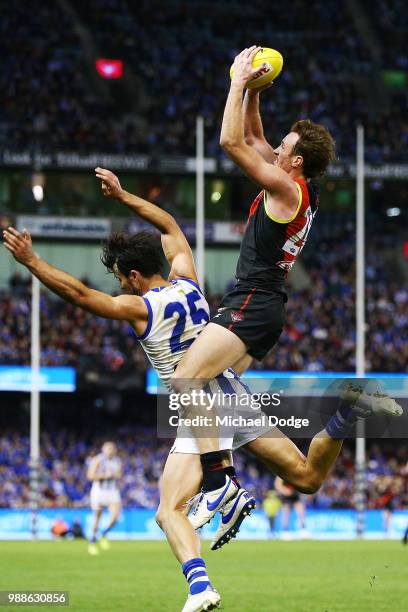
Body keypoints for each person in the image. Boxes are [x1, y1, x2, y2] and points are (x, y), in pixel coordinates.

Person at [3, 171, 402, 612]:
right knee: (306, 477)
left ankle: (204, 566)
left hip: (202, 410)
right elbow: (171, 227)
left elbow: (79, 295)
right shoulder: (188, 280)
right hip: (232, 395)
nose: (118, 284)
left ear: (134, 275)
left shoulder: (140, 307)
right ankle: (346, 411)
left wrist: (31, 262)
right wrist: (122, 196)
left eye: (119, 276)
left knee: (167, 510)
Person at [170, 45, 338, 520]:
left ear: (295, 162)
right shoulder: (300, 184)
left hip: (251, 301)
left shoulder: (285, 187)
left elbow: (231, 142)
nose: (276, 147)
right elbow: (253, 133)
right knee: (215, 392)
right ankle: (223, 474)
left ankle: (220, 483)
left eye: (284, 147)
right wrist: (257, 93)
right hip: (264, 306)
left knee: (186, 378)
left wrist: (237, 83)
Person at [87, 441, 122, 555]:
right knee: (97, 518)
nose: (110, 451)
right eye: (108, 448)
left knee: (116, 516)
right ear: (103, 449)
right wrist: (104, 476)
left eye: (112, 448)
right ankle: (92, 542)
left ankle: (103, 534)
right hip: (99, 491)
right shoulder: (98, 460)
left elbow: (119, 474)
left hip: (112, 491)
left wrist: (115, 475)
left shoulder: (117, 461)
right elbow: (90, 476)